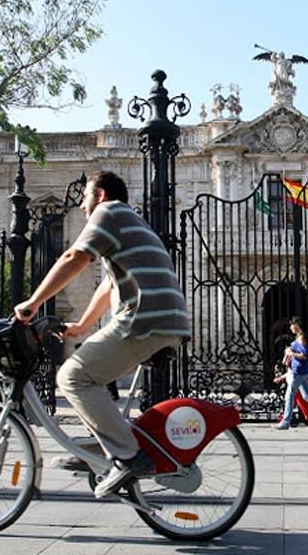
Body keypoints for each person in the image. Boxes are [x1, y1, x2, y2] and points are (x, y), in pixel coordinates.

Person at [14, 170, 190, 498]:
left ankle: (126, 455)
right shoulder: (129, 221)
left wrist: (33, 302)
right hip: (163, 318)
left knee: (72, 377)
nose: (82, 206)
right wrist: (81, 326)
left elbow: (74, 256)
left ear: (102, 195)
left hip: (145, 317)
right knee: (85, 372)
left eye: (85, 197)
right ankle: (101, 451)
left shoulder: (108, 213)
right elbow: (109, 285)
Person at [273, 356, 308, 428]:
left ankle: (284, 420)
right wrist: (280, 378)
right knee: (301, 403)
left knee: (292, 402)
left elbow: (290, 372)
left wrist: (280, 378)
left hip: (295, 385)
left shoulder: (294, 362)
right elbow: (289, 372)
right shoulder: (293, 362)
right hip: (295, 385)